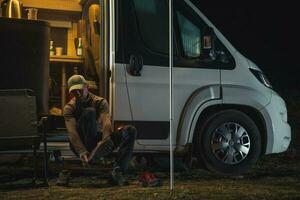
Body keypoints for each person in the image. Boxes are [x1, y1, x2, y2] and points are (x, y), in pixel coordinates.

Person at [57, 74, 137, 186]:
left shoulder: (100, 102)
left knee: (130, 130)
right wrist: (82, 151)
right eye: (74, 91)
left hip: (100, 141)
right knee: (89, 112)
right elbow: (72, 132)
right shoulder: (69, 107)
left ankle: (117, 171)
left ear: (87, 86)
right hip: (81, 143)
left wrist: (105, 140)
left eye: (80, 89)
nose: (78, 94)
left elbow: (106, 123)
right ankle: (91, 153)